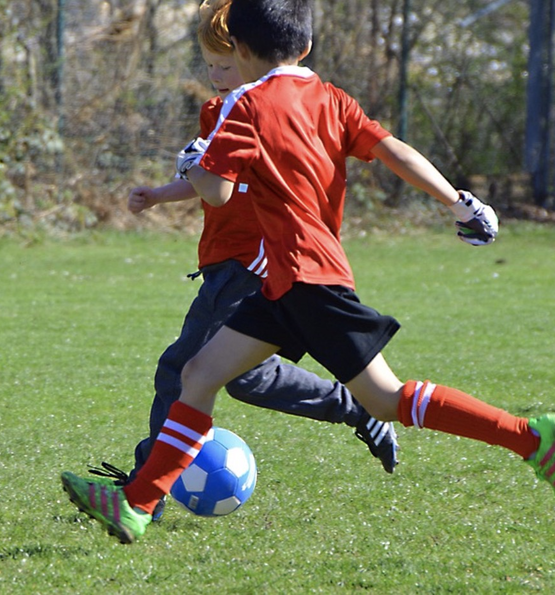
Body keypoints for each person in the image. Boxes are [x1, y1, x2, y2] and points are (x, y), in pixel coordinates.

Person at [63, 0, 555, 545]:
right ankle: (136, 505)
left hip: (307, 278)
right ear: (305, 45)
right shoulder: (331, 98)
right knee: (199, 374)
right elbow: (395, 152)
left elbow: (216, 193)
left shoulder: (244, 105)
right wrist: (459, 202)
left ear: (238, 49)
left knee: (386, 398)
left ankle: (529, 437)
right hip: (283, 280)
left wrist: (200, 161)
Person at [89, 0, 399, 520]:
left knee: (182, 368)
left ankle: (147, 492)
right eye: (208, 64)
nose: (216, 76)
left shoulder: (264, 106)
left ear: (254, 57)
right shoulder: (219, 109)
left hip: (248, 263)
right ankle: (360, 407)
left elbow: (228, 191)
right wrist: (163, 194)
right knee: (245, 376)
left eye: (226, 65)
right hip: (223, 259)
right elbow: (212, 182)